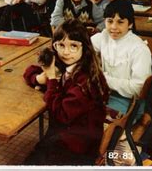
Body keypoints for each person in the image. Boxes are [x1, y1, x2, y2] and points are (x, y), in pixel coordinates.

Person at [23, 19, 109, 165]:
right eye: (61, 45)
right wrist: (39, 79)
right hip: (66, 133)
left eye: (73, 46)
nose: (66, 52)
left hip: (79, 144)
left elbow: (61, 114)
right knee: (33, 158)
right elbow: (30, 71)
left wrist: (51, 79)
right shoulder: (67, 63)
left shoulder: (86, 81)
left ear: (85, 48)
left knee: (31, 162)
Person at [91, 0, 152, 118]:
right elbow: (83, 46)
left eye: (120, 22)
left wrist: (103, 78)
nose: (113, 27)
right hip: (106, 94)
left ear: (130, 24)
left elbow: (138, 89)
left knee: (88, 119)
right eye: (109, 21)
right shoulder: (104, 36)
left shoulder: (139, 49)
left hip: (130, 104)